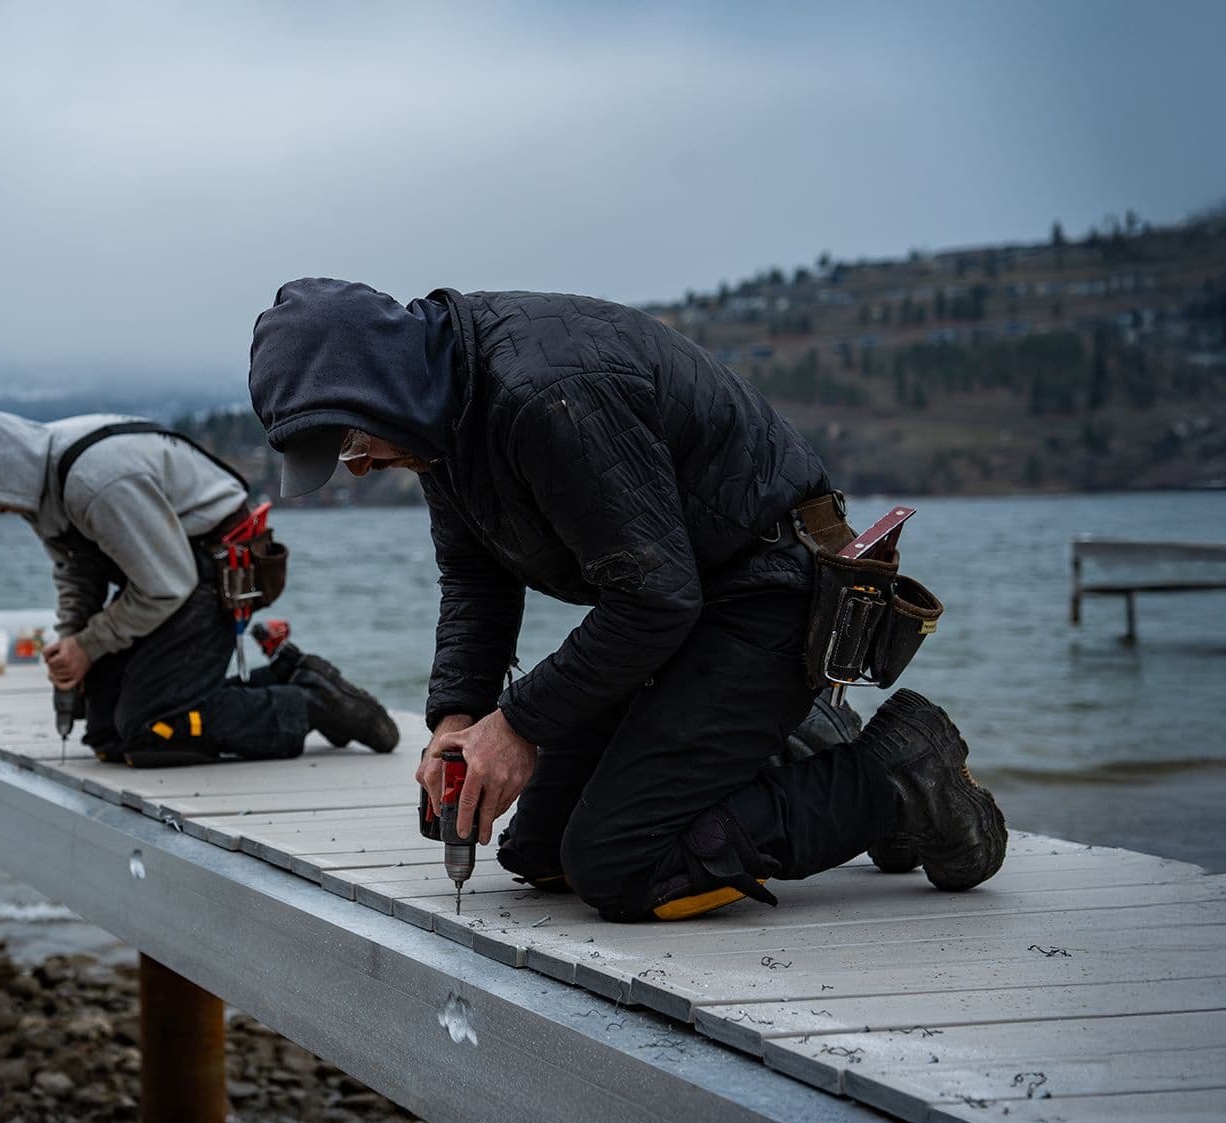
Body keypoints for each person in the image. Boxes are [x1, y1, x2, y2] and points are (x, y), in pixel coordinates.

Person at [246, 279, 1006, 920]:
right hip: (684, 613)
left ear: (380, 380)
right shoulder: (435, 413)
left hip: (767, 597)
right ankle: (786, 738)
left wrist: (516, 726)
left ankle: (899, 778)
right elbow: (475, 580)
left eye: (350, 446)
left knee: (620, 866)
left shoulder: (544, 393)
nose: (357, 469)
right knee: (540, 856)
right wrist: (457, 720)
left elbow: (653, 601)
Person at [0, 405, 399, 766]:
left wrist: (89, 646)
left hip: (217, 571)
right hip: (171, 577)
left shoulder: (97, 480)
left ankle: (308, 700)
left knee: (152, 730)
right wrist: (72, 647)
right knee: (105, 733)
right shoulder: (41, 481)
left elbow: (168, 585)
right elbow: (76, 573)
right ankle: (280, 677)